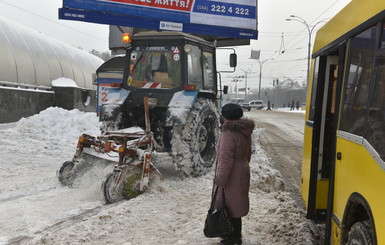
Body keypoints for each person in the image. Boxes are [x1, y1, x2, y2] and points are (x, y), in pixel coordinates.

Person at [213, 103, 255, 245]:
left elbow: (225, 160)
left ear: (225, 118)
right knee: (236, 205)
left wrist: (220, 179)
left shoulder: (228, 134)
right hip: (242, 169)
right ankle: (235, 235)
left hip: (231, 174)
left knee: (229, 205)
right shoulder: (244, 131)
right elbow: (248, 153)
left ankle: (232, 238)